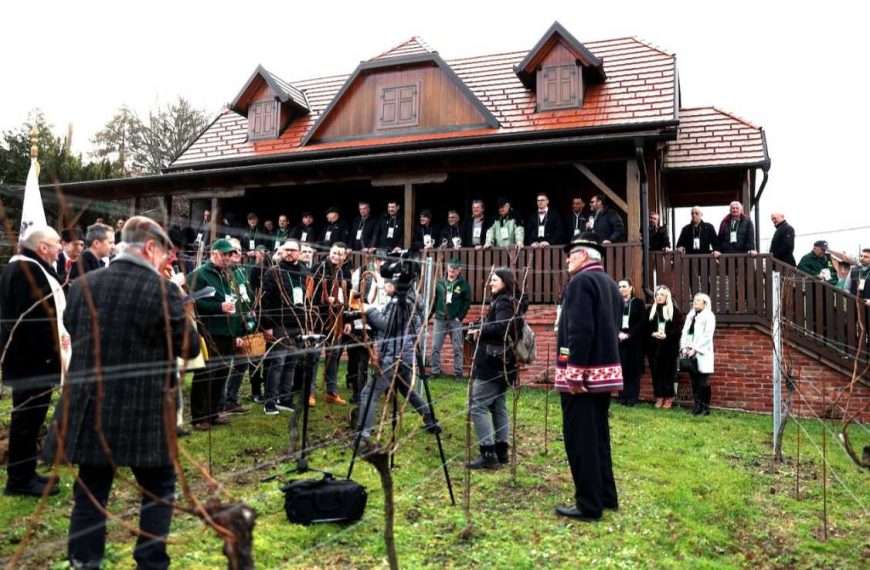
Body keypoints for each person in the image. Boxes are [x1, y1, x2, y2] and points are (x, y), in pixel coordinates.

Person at [52, 216, 199, 569]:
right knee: (159, 487)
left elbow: (74, 326)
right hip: (144, 409)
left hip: (91, 404)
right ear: (150, 247)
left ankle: (83, 562)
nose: (166, 262)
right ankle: (150, 562)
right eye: (165, 255)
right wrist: (182, 305)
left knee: (90, 491)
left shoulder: (83, 285)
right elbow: (189, 347)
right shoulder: (162, 290)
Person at [554, 232, 622, 521]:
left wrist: (574, 371)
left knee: (580, 439)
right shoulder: (610, 284)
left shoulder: (581, 282)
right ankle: (606, 496)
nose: (567, 259)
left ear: (583, 256)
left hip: (582, 378)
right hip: (604, 374)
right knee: (598, 436)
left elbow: (579, 331)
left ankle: (588, 505)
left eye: (571, 254)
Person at [1, 226, 68, 497]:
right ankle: (19, 479)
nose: (59, 248)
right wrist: (54, 349)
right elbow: (35, 321)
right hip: (33, 361)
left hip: (28, 360)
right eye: (56, 244)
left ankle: (25, 471)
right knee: (27, 419)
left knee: (29, 418)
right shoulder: (28, 272)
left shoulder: (20, 268)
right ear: (42, 247)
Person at [356, 257, 440, 441]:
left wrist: (369, 310)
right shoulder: (413, 298)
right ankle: (430, 419)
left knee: (369, 393)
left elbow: (388, 325)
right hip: (406, 354)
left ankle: (363, 434)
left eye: (387, 283)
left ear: (395, 284)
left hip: (394, 355)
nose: (384, 287)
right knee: (406, 390)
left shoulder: (402, 303)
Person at [466, 268, 523, 469]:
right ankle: (501, 452)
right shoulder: (511, 301)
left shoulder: (505, 302)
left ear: (505, 282)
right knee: (498, 405)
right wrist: (478, 324)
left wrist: (480, 330)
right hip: (504, 363)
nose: (490, 283)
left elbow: (502, 328)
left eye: (495, 280)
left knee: (478, 405)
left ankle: (488, 454)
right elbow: (497, 323)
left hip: (493, 361)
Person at [188, 239, 247, 429]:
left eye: (230, 254)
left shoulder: (229, 275)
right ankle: (199, 417)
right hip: (209, 332)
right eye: (224, 254)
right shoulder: (199, 275)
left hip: (228, 331)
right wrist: (218, 307)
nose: (228, 258)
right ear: (213, 253)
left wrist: (238, 331)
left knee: (222, 373)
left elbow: (237, 303)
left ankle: (214, 413)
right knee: (205, 374)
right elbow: (192, 302)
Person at [260, 240, 308, 415]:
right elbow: (265, 302)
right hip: (279, 324)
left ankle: (285, 398)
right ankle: (270, 402)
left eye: (293, 250)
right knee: (277, 363)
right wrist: (267, 325)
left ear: (299, 253)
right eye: (287, 250)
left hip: (298, 324)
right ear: (281, 251)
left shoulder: (304, 272)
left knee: (292, 362)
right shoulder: (273, 273)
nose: (290, 253)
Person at [313, 242, 351, 405]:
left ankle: (332, 392)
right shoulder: (318, 269)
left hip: (336, 320)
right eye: (334, 253)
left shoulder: (343, 272)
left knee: (333, 356)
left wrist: (347, 320)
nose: (336, 256)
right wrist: (323, 299)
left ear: (344, 256)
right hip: (318, 319)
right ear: (330, 252)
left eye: (340, 254)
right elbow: (309, 294)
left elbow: (347, 298)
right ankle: (310, 393)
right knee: (314, 356)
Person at [430, 259, 471, 378]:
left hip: (455, 320)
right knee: (435, 347)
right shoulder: (440, 283)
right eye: (450, 269)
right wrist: (430, 315)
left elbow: (467, 302)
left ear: (459, 270)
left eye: (454, 269)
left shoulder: (463, 285)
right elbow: (435, 300)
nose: (451, 271)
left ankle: (458, 373)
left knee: (457, 347)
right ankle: (435, 371)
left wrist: (460, 317)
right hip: (440, 318)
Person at [646, 285, 683, 409]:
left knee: (668, 374)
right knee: (656, 374)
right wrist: (653, 333)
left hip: (669, 348)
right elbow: (646, 328)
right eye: (657, 294)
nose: (659, 297)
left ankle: (669, 397)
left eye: (662, 294)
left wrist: (666, 335)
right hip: (654, 348)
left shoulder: (675, 311)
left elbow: (678, 330)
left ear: (667, 296)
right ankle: (659, 396)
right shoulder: (651, 310)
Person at [680, 293, 716, 416]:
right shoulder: (691, 315)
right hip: (690, 353)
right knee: (694, 381)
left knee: (703, 382)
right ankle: (696, 406)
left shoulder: (709, 316)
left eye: (698, 300)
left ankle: (705, 407)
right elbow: (685, 332)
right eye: (694, 300)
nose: (695, 302)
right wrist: (684, 347)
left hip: (702, 353)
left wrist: (695, 349)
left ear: (705, 303)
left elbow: (707, 335)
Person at [616, 279, 646, 406]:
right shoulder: (615, 303)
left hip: (634, 341)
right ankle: (622, 397)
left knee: (633, 370)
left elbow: (642, 322)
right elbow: (611, 320)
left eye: (624, 286)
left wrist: (629, 334)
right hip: (619, 340)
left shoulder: (638, 303)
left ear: (630, 288)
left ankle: (632, 397)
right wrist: (618, 333)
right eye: (620, 286)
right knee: (621, 369)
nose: (622, 288)